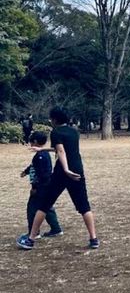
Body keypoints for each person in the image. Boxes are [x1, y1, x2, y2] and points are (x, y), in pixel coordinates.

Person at [17, 107, 99, 250]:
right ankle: (94, 239)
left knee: (44, 204)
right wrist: (42, 149)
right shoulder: (74, 131)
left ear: (55, 119)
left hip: (62, 172)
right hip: (78, 170)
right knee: (84, 206)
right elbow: (62, 149)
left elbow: (61, 151)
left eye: (51, 118)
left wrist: (66, 169)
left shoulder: (55, 132)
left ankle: (30, 240)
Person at [21, 131, 63, 239]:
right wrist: (26, 172)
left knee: (32, 209)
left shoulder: (40, 156)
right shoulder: (43, 154)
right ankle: (56, 229)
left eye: (31, 141)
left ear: (35, 142)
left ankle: (34, 232)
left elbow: (41, 174)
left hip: (41, 187)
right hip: (46, 185)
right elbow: (33, 167)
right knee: (46, 207)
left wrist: (35, 187)